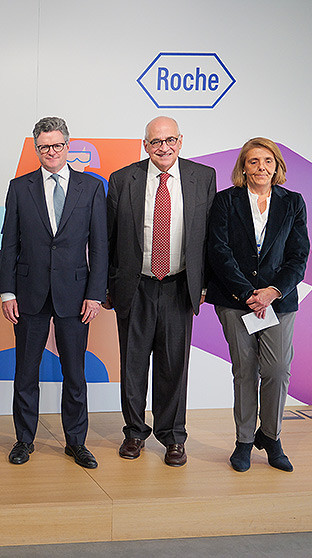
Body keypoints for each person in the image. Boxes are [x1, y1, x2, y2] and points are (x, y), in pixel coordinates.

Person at [106, 117, 216, 466]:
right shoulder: (123, 179)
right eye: (155, 141)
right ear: (145, 145)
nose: (163, 147)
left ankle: (172, 437)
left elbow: (211, 237)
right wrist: (108, 285)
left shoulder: (203, 178)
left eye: (169, 140)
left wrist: (205, 284)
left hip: (179, 287)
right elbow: (107, 238)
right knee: (133, 365)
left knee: (174, 366)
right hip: (134, 286)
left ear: (181, 141)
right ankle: (135, 433)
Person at [0, 117, 107, 469]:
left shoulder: (91, 188)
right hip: (28, 293)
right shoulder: (19, 187)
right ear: (36, 148)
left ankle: (76, 442)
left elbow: (100, 246)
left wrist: (95, 293)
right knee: (25, 372)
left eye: (57, 145)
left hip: (76, 295)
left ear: (68, 145)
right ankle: (23, 440)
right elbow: (9, 242)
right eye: (44, 146)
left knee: (75, 373)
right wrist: (6, 291)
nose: (51, 152)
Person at [206, 138, 309, 472]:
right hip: (236, 301)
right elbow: (219, 252)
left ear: (277, 166)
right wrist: (249, 293)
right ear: (243, 167)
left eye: (267, 161)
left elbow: (298, 255)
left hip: (278, 302)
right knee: (245, 371)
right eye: (253, 161)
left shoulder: (293, 202)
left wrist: (272, 291)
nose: (261, 167)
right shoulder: (225, 201)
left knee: (277, 371)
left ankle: (272, 436)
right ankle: (244, 441)